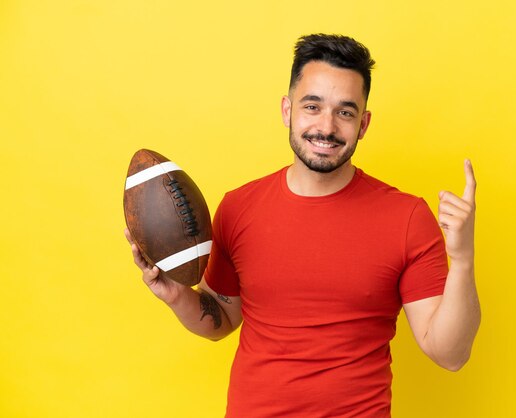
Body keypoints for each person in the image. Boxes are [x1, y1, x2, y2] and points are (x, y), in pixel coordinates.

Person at [125, 33, 481, 417]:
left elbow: (450, 354)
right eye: (312, 106)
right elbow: (222, 319)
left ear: (363, 124)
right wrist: (176, 295)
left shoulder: (407, 217)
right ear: (286, 110)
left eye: (345, 112)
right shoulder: (238, 208)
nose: (326, 127)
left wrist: (461, 259)